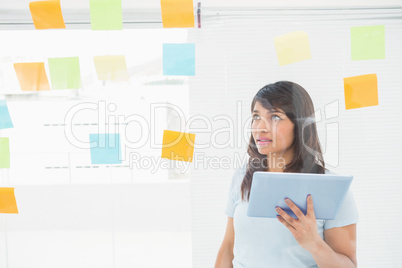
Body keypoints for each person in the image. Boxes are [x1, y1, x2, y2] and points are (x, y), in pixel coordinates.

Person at [214, 81, 359, 268]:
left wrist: (315, 245)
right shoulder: (243, 176)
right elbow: (227, 247)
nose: (260, 127)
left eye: (275, 117)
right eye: (256, 116)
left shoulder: (332, 189)